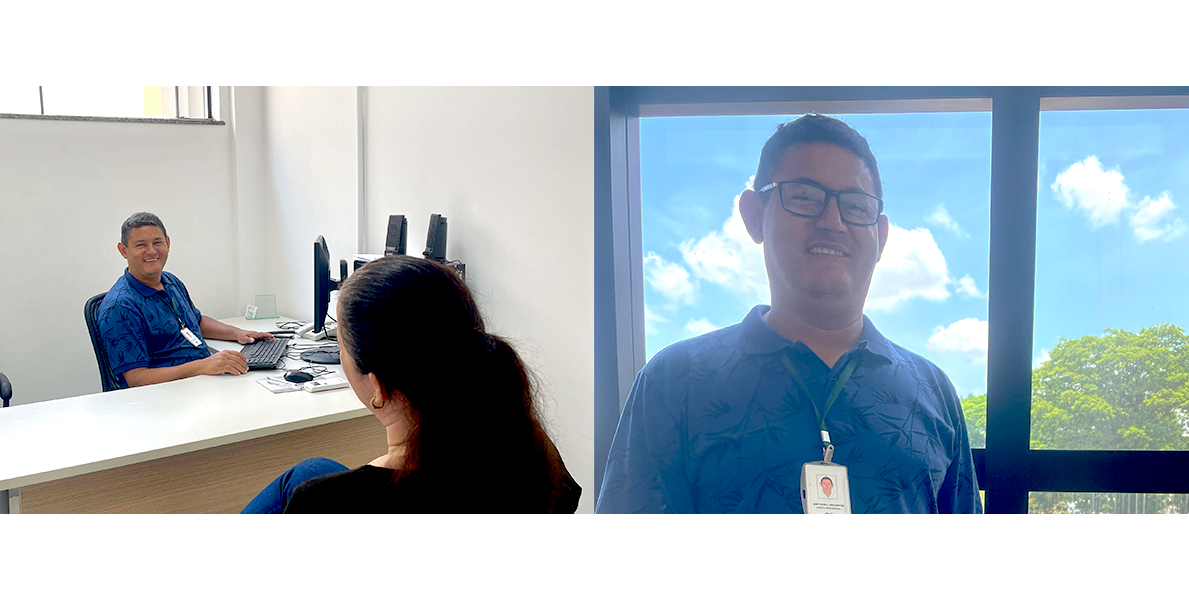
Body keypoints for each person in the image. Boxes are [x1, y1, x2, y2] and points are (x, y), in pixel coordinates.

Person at [598, 114, 979, 513]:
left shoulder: (933, 391)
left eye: (855, 206)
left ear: (880, 236)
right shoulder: (674, 382)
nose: (832, 221)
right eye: (803, 196)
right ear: (754, 214)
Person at [241, 256, 580, 513]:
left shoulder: (322, 503)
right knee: (312, 469)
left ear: (377, 386)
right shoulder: (534, 455)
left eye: (341, 346)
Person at [97, 212, 276, 388]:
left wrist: (238, 334)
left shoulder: (170, 282)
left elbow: (195, 322)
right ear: (123, 250)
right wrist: (203, 366)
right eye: (141, 245)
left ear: (167, 243)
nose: (151, 251)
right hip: (167, 396)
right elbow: (136, 379)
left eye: (157, 242)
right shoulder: (120, 307)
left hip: (201, 381)